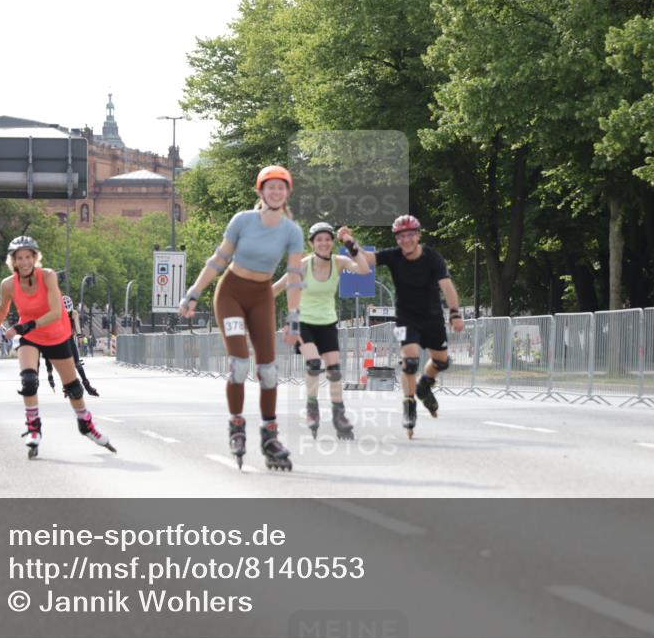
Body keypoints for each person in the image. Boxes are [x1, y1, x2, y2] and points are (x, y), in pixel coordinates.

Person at [178, 164, 305, 470]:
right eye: (270, 187)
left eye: (281, 187)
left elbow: (295, 275)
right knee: (239, 365)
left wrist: (294, 318)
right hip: (232, 293)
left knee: (269, 370)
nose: (275, 192)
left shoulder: (292, 231)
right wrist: (193, 293)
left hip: (261, 297)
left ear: (287, 193)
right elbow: (219, 259)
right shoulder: (243, 221)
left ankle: (270, 435)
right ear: (260, 191)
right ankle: (237, 426)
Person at [0, 236, 115, 459]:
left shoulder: (47, 276)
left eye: (29, 257)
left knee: (74, 389)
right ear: (13, 261)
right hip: (30, 336)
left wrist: (25, 325)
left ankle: (85, 424)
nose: (25, 262)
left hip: (56, 333)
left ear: (35, 258)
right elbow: (2, 308)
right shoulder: (8, 284)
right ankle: (33, 427)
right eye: (20, 258)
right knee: (28, 381)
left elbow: (56, 313)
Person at [361, 215, 465, 438]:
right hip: (406, 318)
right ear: (397, 239)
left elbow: (446, 285)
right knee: (409, 361)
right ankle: (409, 407)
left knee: (442, 361)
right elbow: (367, 258)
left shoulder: (432, 257)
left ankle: (424, 386)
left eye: (410, 235)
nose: (406, 240)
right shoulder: (394, 256)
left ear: (418, 235)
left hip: (433, 317)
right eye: (401, 236)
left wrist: (455, 312)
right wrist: (350, 242)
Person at [272, 222, 370, 440]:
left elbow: (364, 269)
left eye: (327, 239)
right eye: (319, 240)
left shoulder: (340, 262)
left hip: (327, 322)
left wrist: (350, 243)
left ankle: (339, 415)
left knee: (334, 371)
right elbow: (278, 288)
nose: (324, 243)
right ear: (312, 243)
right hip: (303, 322)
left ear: (332, 242)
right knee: (314, 364)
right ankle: (312, 407)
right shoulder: (303, 265)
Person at [43, 295, 99, 397]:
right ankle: (59, 381)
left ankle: (87, 385)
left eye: (68, 312)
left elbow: (77, 327)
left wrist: (80, 336)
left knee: (77, 364)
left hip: (69, 339)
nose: (67, 314)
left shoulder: (74, 313)